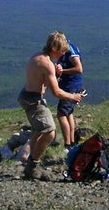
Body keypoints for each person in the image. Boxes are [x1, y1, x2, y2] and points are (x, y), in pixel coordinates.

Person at [19, 31, 85, 180]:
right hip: (33, 100)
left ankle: (30, 163)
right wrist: (73, 96)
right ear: (55, 49)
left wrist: (56, 74)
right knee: (50, 131)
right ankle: (32, 165)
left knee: (38, 130)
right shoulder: (47, 64)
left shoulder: (37, 56)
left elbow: (44, 80)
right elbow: (56, 92)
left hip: (26, 95)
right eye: (62, 51)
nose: (63, 54)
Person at [54, 39, 85, 152]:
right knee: (69, 113)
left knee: (61, 114)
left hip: (71, 86)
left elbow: (79, 69)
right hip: (70, 85)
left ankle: (67, 145)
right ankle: (71, 142)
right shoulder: (67, 48)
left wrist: (62, 71)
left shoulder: (70, 50)